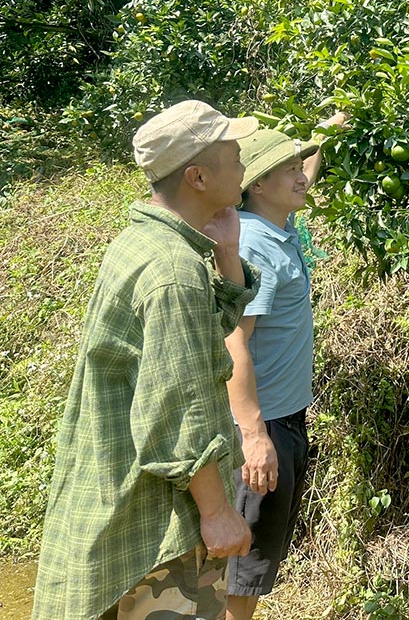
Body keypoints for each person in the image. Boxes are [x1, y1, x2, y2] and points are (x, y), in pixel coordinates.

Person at [33, 100, 261, 620]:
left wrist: (227, 254)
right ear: (199, 176)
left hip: (119, 499)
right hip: (157, 523)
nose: (244, 160)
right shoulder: (173, 271)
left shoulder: (145, 245)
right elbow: (175, 404)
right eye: (233, 152)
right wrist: (218, 511)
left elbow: (197, 341)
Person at [223, 112, 346, 620]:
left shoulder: (276, 223)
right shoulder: (254, 245)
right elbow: (235, 344)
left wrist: (325, 134)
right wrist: (254, 436)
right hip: (264, 423)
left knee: (253, 564)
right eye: (287, 169)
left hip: (284, 418)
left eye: (300, 165)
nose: (302, 176)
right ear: (257, 184)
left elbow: (304, 177)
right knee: (242, 570)